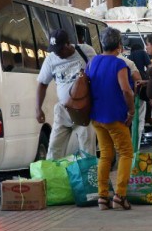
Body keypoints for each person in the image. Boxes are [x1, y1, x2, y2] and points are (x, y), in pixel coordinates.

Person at [86, 27, 135, 211]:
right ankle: (120, 196)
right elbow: (126, 89)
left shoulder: (92, 62)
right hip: (115, 116)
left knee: (105, 155)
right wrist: (131, 110)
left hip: (96, 116)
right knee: (125, 153)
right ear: (119, 45)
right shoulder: (119, 64)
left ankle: (102, 197)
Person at [36, 29, 97, 159]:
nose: (57, 53)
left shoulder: (85, 51)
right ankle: (52, 177)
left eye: (60, 49)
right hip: (63, 110)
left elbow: (98, 75)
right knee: (54, 148)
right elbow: (42, 84)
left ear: (68, 43)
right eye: (54, 50)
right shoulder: (51, 59)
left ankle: (87, 177)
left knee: (87, 150)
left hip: (83, 111)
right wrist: (38, 109)